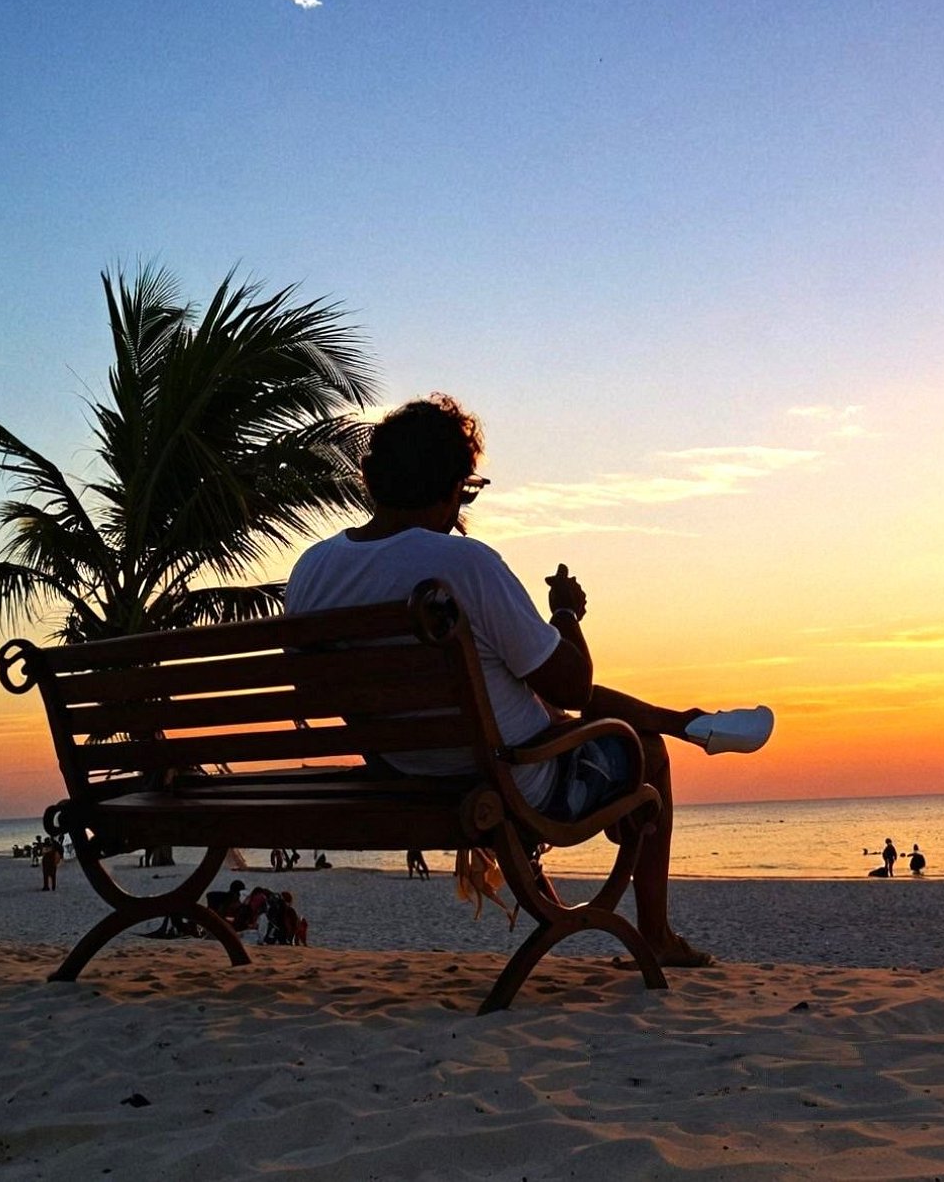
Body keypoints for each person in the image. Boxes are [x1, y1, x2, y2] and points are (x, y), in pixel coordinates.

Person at [284, 395, 775, 969]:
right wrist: (565, 612)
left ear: (371, 479)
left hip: (404, 772)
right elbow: (572, 685)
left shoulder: (312, 570)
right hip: (512, 781)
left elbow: (314, 694)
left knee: (542, 701)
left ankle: (689, 722)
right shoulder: (464, 565)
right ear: (452, 486)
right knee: (644, 752)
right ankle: (658, 934)